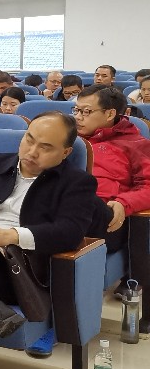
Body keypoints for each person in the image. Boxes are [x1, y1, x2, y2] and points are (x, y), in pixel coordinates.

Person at [0, 113, 102, 350]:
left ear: (66, 152)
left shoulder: (77, 182)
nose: (32, 152)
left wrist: (12, 235)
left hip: (15, 267)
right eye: (29, 140)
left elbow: (70, 232)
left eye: (45, 147)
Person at [73, 86, 150, 256]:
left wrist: (124, 203)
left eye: (86, 111)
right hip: (66, 209)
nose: (78, 117)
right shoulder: (71, 140)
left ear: (109, 114)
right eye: (76, 110)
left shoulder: (136, 144)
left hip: (107, 218)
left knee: (80, 197)